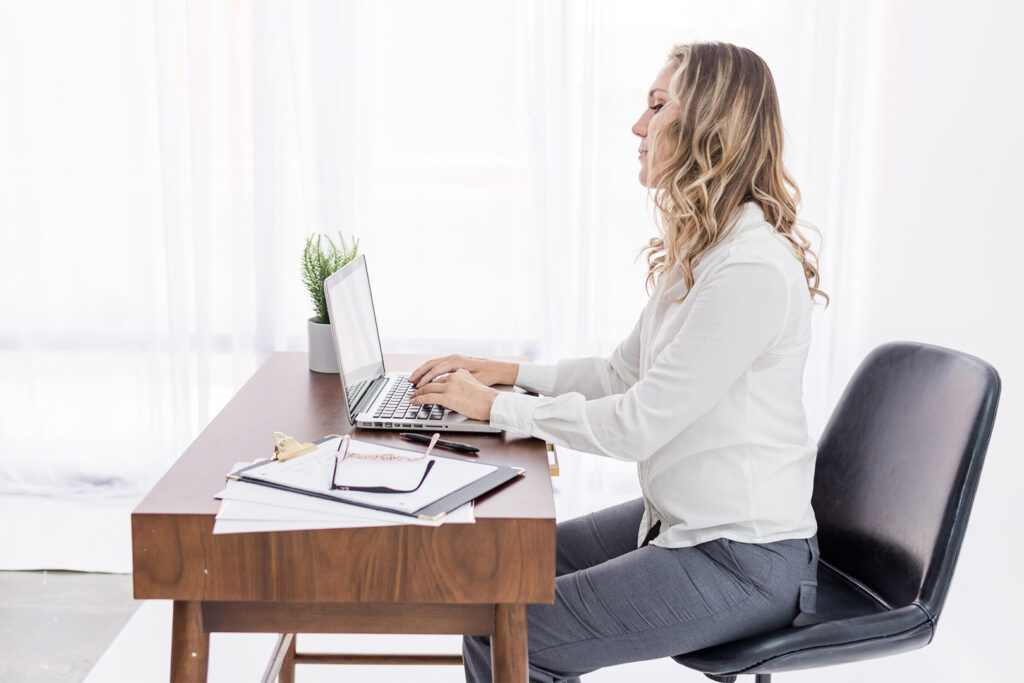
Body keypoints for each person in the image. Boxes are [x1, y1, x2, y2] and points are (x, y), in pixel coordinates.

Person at [409, 41, 827, 683]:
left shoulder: (749, 270)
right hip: (680, 526)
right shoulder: (708, 249)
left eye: (657, 107)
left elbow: (638, 423)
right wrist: (504, 373)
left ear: (710, 128)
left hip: (744, 559)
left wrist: (494, 409)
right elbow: (620, 376)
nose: (638, 127)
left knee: (512, 634)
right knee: (497, 575)